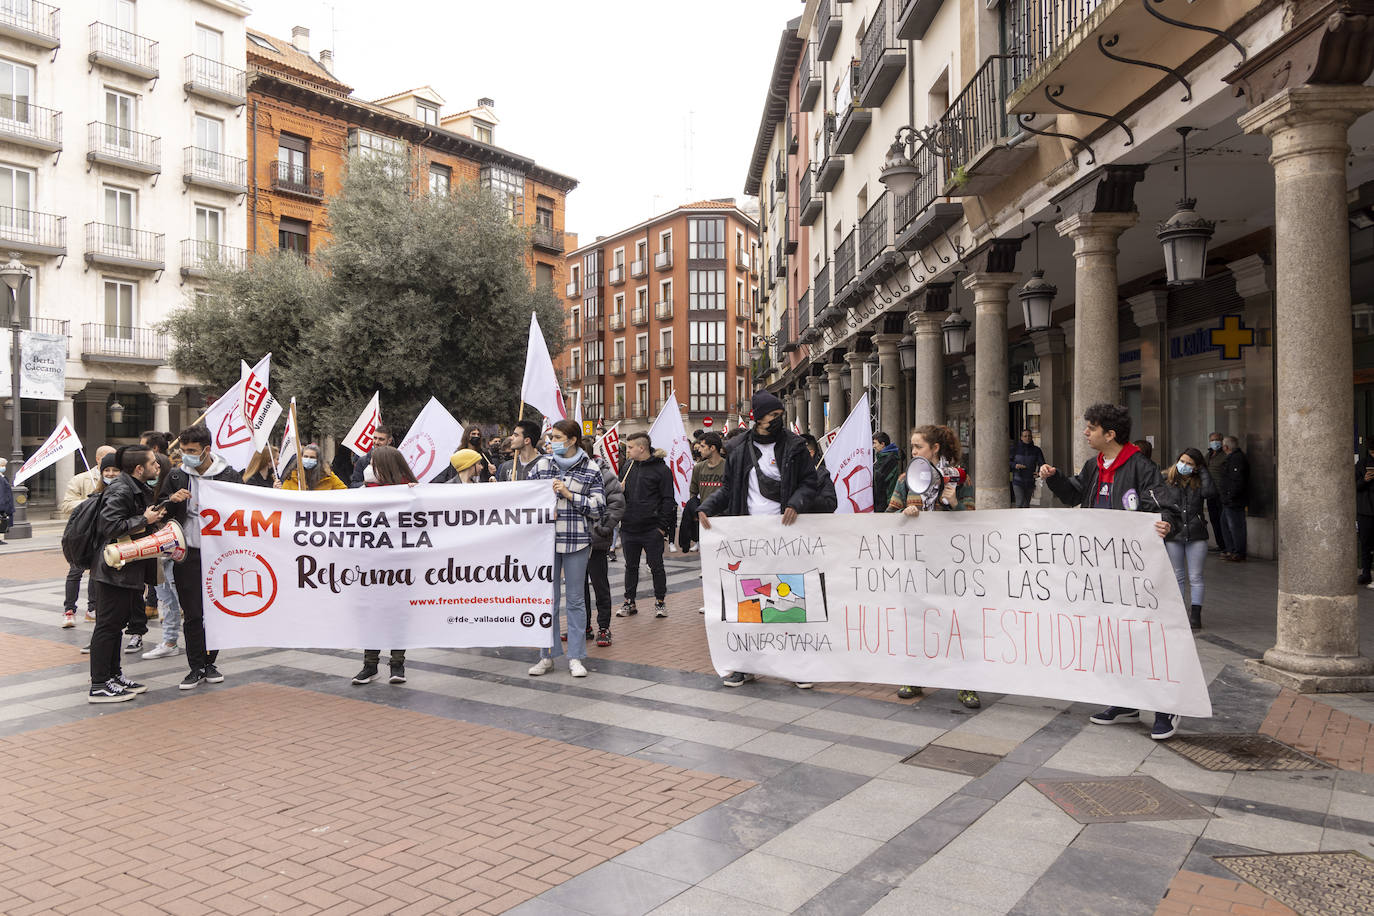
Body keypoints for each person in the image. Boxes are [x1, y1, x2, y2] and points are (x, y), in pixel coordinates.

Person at [1039, 403, 1181, 740]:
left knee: (1145, 637)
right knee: (1113, 637)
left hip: (1136, 571)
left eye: (1091, 428)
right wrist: (1055, 478)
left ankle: (1167, 706)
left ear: (1110, 433)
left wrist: (1168, 523)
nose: (1086, 433)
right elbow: (1073, 495)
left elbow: (1165, 506)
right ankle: (1125, 702)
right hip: (1103, 570)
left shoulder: (1141, 467)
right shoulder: (1093, 466)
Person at [700, 391, 822, 689]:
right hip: (749, 537)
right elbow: (728, 489)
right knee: (750, 602)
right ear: (758, 417)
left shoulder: (794, 447)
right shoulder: (738, 449)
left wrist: (796, 502)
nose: (778, 419)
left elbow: (810, 482)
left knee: (790, 600)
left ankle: (797, 667)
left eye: (780, 415)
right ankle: (746, 665)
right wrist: (707, 507)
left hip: (786, 535)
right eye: (773, 415)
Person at [889, 425, 980, 708]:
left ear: (935, 449)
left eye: (918, 447)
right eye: (912, 446)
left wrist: (955, 504)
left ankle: (967, 683)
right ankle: (915, 677)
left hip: (951, 566)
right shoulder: (905, 481)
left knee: (957, 623)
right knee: (917, 621)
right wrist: (903, 513)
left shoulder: (958, 479)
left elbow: (973, 522)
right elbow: (888, 516)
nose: (913, 452)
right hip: (917, 565)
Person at [162, 425, 243, 690]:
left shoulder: (229, 475)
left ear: (207, 450)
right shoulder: (176, 476)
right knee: (193, 612)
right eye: (183, 451)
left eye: (191, 451)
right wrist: (172, 500)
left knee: (217, 610)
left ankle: (211, 662)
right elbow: (160, 508)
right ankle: (195, 666)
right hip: (188, 554)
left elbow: (245, 508)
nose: (186, 456)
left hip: (221, 553)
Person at [527, 420, 607, 678]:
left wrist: (571, 495)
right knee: (547, 600)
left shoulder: (591, 468)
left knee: (575, 600)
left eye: (558, 437)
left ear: (572, 440)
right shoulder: (541, 465)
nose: (552, 441)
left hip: (576, 541)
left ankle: (576, 656)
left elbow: (599, 508)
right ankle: (546, 655)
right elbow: (525, 498)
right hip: (546, 542)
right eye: (552, 437)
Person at [86, 445, 163, 703]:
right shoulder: (121, 489)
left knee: (116, 625)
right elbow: (109, 526)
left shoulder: (132, 486)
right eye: (153, 463)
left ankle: (113, 676)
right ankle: (99, 684)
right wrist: (144, 520)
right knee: (107, 626)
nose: (156, 467)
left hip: (125, 567)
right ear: (139, 468)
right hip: (113, 568)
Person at [351, 446, 419, 685]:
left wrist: (415, 496)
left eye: (375, 463)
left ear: (386, 465)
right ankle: (370, 665)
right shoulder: (365, 490)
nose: (370, 467)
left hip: (400, 565)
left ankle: (397, 664)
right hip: (370, 563)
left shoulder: (412, 491)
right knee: (371, 613)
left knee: (397, 615)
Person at [1152, 447, 1215, 631]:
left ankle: (1195, 615)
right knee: (1177, 575)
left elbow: (1211, 493)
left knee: (1196, 576)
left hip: (1196, 534)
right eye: (1183, 461)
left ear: (1196, 467)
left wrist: (1203, 470)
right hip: (1174, 533)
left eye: (1190, 463)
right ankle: (1178, 613)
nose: (1184, 465)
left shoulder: (1200, 482)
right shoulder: (1166, 479)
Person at [617, 432, 676, 619]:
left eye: (630, 447)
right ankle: (629, 602)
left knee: (656, 566)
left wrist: (661, 527)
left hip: (652, 528)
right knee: (630, 566)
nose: (627, 451)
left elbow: (668, 500)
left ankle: (660, 602)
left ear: (641, 448)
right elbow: (621, 497)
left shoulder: (662, 470)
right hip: (629, 527)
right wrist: (620, 492)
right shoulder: (627, 466)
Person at [59, 445, 117, 627]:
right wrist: (92, 502)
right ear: (99, 459)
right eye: (108, 460)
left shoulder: (120, 481)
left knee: (96, 572)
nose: (112, 470)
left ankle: (92, 608)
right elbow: (66, 505)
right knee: (75, 570)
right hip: (82, 534)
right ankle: (69, 609)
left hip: (102, 535)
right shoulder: (81, 479)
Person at [585, 443, 625, 647]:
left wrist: (603, 528)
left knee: (600, 586)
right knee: (577, 589)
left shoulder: (605, 475)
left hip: (596, 542)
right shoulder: (565, 472)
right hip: (573, 541)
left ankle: (603, 627)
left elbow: (616, 504)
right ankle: (583, 626)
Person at [1218, 435, 1249, 562]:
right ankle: (1231, 549)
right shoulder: (1232, 458)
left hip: (1234, 500)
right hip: (1229, 499)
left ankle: (1238, 552)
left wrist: (1230, 495)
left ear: (1226, 447)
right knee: (1225, 524)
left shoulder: (1236, 459)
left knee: (1236, 526)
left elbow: (1237, 480)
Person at [281, 443, 348, 490]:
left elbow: (344, 492)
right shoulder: (292, 476)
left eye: (312, 457)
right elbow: (284, 496)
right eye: (306, 456)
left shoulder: (328, 476)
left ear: (318, 460)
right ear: (301, 458)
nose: (308, 459)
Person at [1010, 429, 1046, 509]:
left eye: (1029, 436)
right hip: (1017, 480)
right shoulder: (1014, 449)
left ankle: (1025, 521)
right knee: (1019, 502)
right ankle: (1018, 520)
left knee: (1026, 505)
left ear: (1032, 437)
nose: (1027, 438)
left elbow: (1042, 463)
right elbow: (1008, 462)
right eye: (1025, 436)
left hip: (1030, 481)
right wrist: (1015, 465)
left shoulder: (1037, 450)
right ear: (1021, 438)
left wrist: (1039, 473)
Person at [1205, 432, 1227, 552]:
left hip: (1221, 493)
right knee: (1214, 520)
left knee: (1223, 520)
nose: (1215, 442)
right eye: (1212, 440)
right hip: (1210, 493)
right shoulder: (1208, 455)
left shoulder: (1225, 455)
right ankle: (1221, 544)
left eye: (1217, 440)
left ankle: (1227, 545)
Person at [873, 432, 902, 512]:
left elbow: (882, 481)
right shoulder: (885, 458)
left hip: (884, 503)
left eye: (875, 443)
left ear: (882, 444)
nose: (874, 446)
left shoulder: (889, 459)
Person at [1358, 440, 1374, 586]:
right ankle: (1366, 573)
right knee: (1365, 543)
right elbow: (1354, 485)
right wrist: (1365, 480)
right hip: (1365, 510)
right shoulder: (1362, 464)